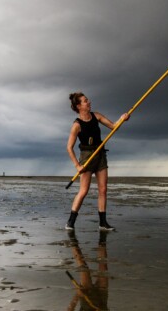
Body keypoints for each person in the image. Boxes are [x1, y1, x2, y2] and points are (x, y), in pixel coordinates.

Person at [66, 92, 129, 231]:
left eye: (87, 100)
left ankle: (102, 223)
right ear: (78, 106)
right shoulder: (77, 125)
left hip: (100, 155)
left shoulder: (96, 116)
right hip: (87, 157)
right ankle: (70, 222)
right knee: (83, 191)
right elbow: (69, 147)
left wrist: (122, 119)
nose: (88, 102)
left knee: (103, 190)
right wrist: (77, 165)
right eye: (85, 101)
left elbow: (113, 126)